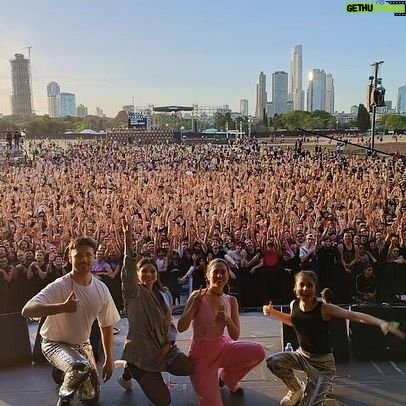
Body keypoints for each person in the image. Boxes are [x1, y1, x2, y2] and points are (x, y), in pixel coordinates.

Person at [263, 270, 405, 406]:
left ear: (316, 289)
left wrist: (381, 323)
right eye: (302, 285)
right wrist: (273, 312)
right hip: (302, 355)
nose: (305, 288)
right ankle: (296, 389)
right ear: (295, 288)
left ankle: (322, 384)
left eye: (309, 285)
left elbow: (355, 316)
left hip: (322, 365)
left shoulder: (325, 309)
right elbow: (294, 321)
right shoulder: (294, 305)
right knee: (273, 361)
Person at [21, 236, 121, 406]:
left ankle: (62, 371)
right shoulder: (60, 285)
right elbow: (27, 310)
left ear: (94, 257)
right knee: (79, 367)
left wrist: (109, 360)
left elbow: (106, 325)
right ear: (70, 258)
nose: (84, 259)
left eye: (88, 255)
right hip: (54, 343)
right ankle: (64, 399)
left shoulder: (101, 288)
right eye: (78, 256)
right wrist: (62, 307)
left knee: (90, 398)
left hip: (82, 345)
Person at [116, 217, 192, 406]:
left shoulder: (165, 294)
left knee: (187, 366)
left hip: (164, 349)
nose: (149, 274)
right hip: (142, 352)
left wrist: (168, 345)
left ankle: (128, 370)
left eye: (152, 271)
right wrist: (127, 241)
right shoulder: (133, 293)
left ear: (157, 274)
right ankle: (132, 368)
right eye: (144, 271)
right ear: (138, 274)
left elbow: (169, 324)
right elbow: (127, 274)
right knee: (164, 401)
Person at [178, 258, 265, 406]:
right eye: (215, 272)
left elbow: (235, 335)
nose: (219, 276)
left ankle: (226, 378)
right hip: (201, 356)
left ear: (228, 275)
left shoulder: (231, 300)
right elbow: (181, 327)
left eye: (223, 272)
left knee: (258, 352)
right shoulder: (197, 296)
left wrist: (227, 319)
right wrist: (193, 307)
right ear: (208, 275)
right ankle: (209, 381)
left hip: (223, 347)